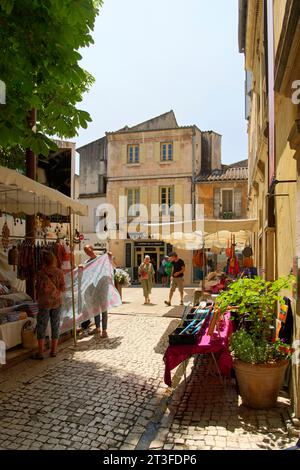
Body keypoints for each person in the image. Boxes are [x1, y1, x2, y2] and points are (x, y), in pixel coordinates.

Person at [32, 251, 66, 359]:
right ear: (54, 259)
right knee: (55, 325)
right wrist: (56, 291)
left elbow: (37, 288)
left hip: (44, 303)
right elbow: (63, 288)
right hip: (56, 302)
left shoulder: (40, 273)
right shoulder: (59, 272)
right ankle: (53, 351)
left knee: (42, 326)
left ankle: (40, 352)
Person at [81, 245, 108, 338]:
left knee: (104, 309)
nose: (87, 252)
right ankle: (97, 328)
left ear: (92, 249)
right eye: (85, 251)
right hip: (93, 288)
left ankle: (104, 330)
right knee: (96, 309)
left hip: (103, 287)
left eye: (88, 250)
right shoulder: (87, 262)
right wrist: (82, 267)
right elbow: (86, 274)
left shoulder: (101, 258)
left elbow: (107, 269)